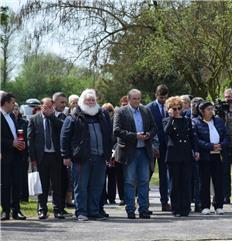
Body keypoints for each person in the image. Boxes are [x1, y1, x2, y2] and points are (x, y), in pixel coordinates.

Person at [61, 89, 113, 221]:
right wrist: (66, 156)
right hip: (81, 158)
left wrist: (109, 153)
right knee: (81, 186)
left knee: (97, 186)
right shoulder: (73, 116)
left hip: (100, 157)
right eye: (87, 100)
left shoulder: (102, 115)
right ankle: (81, 212)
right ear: (81, 101)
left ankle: (94, 211)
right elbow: (64, 137)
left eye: (93, 100)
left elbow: (108, 135)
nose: (90, 102)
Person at [113, 89, 157, 219]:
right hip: (129, 151)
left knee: (144, 181)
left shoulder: (146, 111)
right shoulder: (120, 112)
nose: (137, 101)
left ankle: (144, 209)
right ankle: (130, 209)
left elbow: (154, 127)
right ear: (128, 99)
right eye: (134, 99)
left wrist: (148, 134)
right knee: (130, 181)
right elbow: (116, 130)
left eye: (139, 98)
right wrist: (135, 136)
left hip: (144, 151)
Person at [28, 97, 64, 219]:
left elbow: (62, 128)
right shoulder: (34, 119)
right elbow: (30, 139)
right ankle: (42, 209)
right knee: (42, 185)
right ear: (41, 106)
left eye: (50, 106)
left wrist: (51, 116)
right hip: (41, 157)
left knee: (56, 184)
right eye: (46, 106)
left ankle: (58, 209)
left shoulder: (57, 118)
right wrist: (32, 158)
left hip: (55, 156)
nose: (48, 109)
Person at [163, 96, 199, 217]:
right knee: (175, 183)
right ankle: (176, 208)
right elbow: (166, 132)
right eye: (174, 109)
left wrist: (196, 150)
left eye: (179, 108)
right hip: (173, 155)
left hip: (186, 154)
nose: (177, 111)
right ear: (169, 109)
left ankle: (186, 208)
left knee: (186, 182)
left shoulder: (187, 120)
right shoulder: (167, 120)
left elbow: (192, 137)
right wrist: (171, 118)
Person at [193, 101, 228, 215]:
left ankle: (219, 205)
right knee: (204, 182)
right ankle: (205, 206)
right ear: (202, 111)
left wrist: (221, 145)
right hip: (205, 156)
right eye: (208, 109)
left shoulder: (218, 121)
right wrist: (210, 146)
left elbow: (225, 136)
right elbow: (196, 140)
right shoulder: (196, 122)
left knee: (219, 181)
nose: (211, 111)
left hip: (218, 155)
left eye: (211, 109)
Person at [1, 92, 27, 221]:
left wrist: (21, 142)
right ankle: (5, 211)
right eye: (12, 103)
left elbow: (15, 133)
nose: (14, 105)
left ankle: (16, 210)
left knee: (17, 183)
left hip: (16, 155)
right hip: (4, 156)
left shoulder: (12, 115)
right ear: (5, 103)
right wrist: (12, 142)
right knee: (5, 184)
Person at [146, 84, 172, 211]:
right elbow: (147, 127)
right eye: (161, 97)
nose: (163, 99)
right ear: (156, 95)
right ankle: (144, 200)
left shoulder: (171, 107)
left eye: (165, 97)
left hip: (167, 146)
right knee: (147, 174)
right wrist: (152, 145)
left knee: (164, 175)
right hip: (152, 145)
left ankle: (164, 202)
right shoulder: (148, 108)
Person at [13, 103, 30, 202]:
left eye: (16, 109)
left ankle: (24, 196)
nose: (15, 111)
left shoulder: (24, 122)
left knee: (23, 175)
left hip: (23, 152)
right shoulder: (6, 121)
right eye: (13, 109)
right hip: (12, 151)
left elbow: (27, 137)